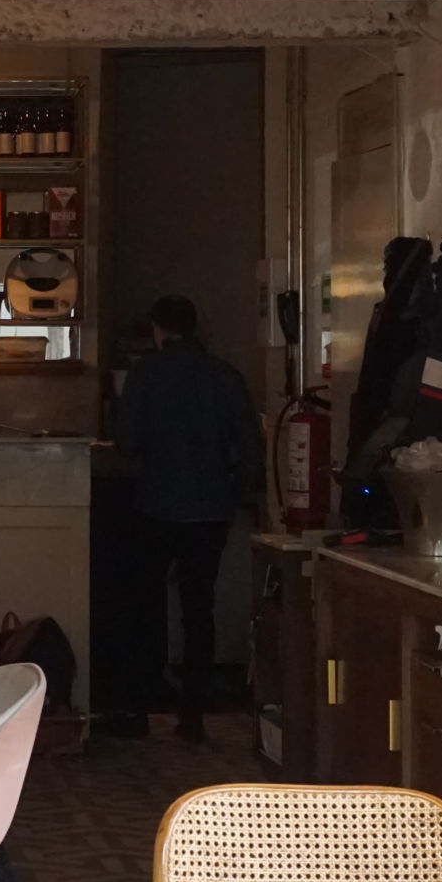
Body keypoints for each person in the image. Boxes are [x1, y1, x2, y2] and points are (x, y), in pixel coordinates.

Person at [114, 295, 263, 742]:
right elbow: (250, 446)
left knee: (146, 607)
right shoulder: (225, 375)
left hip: (156, 505)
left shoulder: (146, 373)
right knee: (200, 609)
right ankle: (193, 715)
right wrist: (234, 495)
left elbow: (127, 440)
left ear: (158, 329)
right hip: (211, 510)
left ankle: (139, 711)